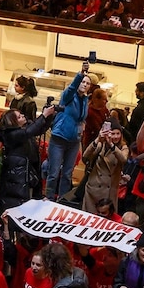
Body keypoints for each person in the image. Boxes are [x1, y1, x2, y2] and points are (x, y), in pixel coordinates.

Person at [45, 63, 92, 200]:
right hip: (59, 138)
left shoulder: (85, 100)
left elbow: (81, 119)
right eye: (82, 81)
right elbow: (71, 88)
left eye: (87, 83)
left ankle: (62, 199)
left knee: (67, 173)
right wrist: (81, 74)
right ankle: (48, 198)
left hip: (74, 141)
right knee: (53, 172)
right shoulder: (68, 96)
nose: (84, 84)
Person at [81, 119, 129, 216]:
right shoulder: (99, 145)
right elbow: (85, 157)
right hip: (93, 191)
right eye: (113, 133)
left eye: (118, 134)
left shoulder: (123, 148)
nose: (115, 136)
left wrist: (111, 145)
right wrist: (97, 140)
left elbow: (123, 159)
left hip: (109, 193)